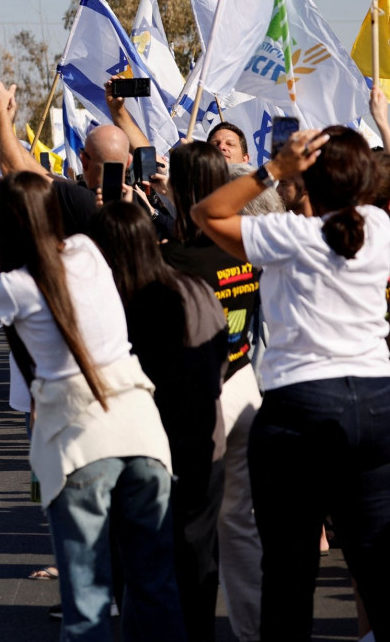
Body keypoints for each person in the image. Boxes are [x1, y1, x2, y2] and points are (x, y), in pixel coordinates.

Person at [0, 173, 184, 641]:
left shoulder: (14, 287)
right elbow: (46, 266)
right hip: (142, 431)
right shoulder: (90, 254)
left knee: (87, 602)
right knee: (155, 587)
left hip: (79, 443)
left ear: (2, 220)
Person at [191, 127, 390, 639]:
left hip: (300, 408)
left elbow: (206, 213)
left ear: (307, 180)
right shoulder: (379, 227)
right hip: (376, 402)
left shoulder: (290, 236)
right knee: (378, 563)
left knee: (288, 573)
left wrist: (272, 169)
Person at [91, 202, 229, 642]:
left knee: (143, 568)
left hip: (146, 449)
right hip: (206, 438)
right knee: (198, 559)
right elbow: (220, 353)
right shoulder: (194, 287)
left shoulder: (121, 306)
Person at [162, 140, 265, 642]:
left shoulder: (177, 259)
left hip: (207, 396)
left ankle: (195, 629)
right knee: (240, 524)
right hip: (247, 385)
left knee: (196, 526)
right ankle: (253, 630)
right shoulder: (246, 244)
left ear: (181, 190)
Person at [0, 71, 132, 237]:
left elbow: (16, 172)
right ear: (128, 162)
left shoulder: (84, 202)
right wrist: (6, 127)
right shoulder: (134, 204)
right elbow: (41, 174)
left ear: (83, 160)